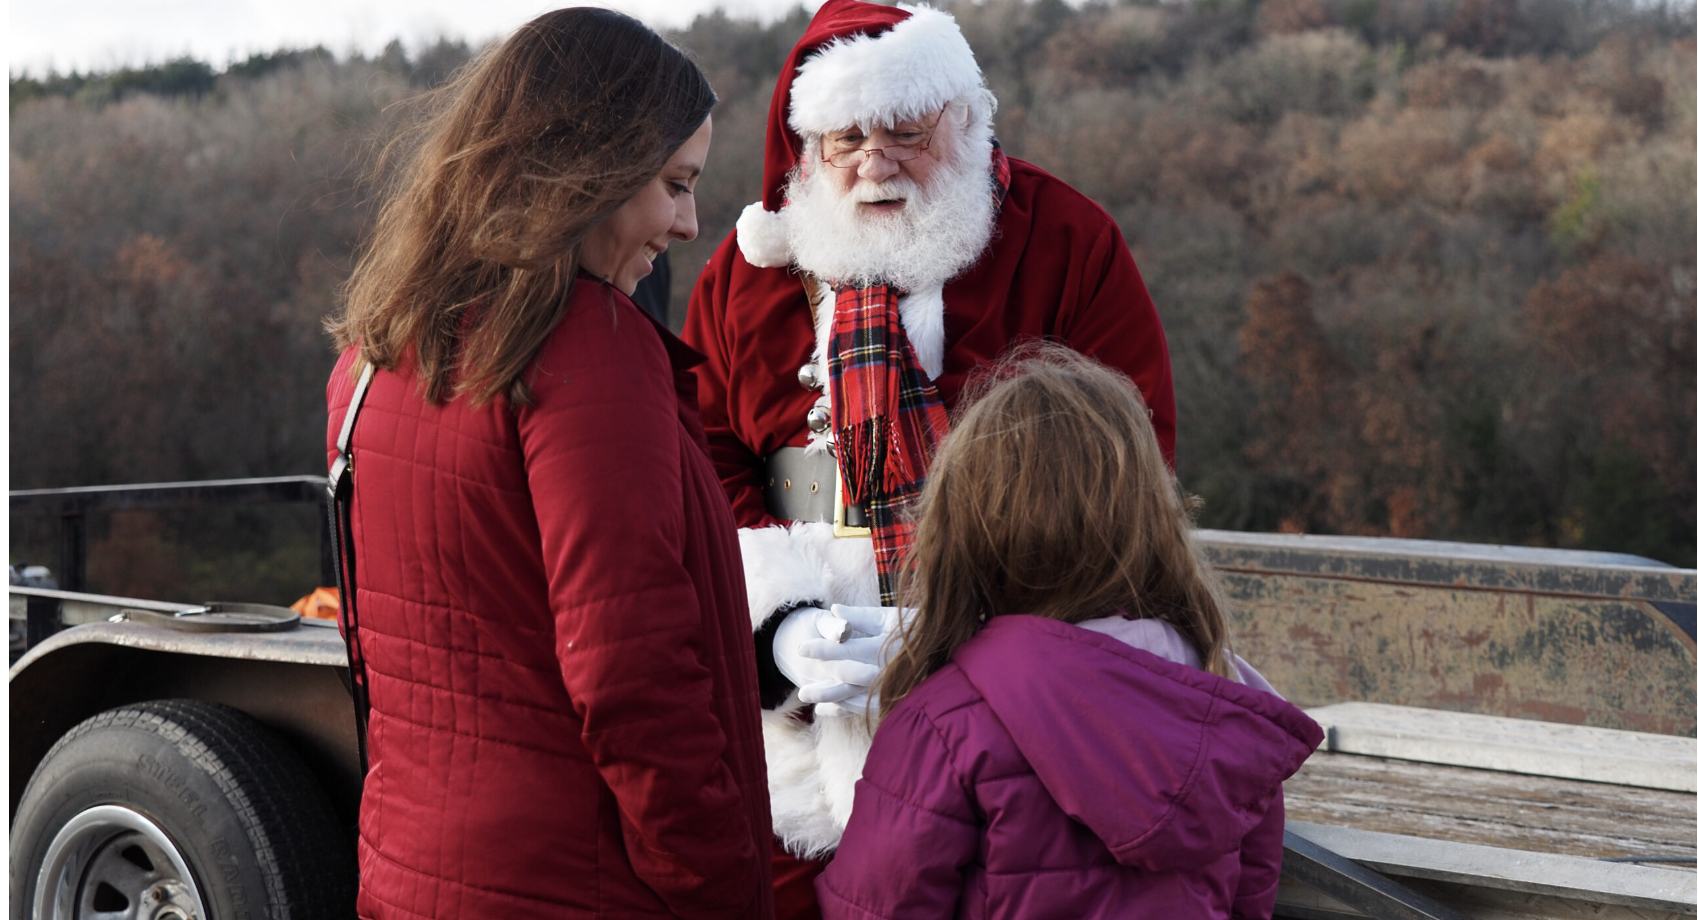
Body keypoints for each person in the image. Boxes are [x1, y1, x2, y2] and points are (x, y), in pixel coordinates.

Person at [681, 0, 1177, 910]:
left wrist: (984, 630)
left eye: (906, 131)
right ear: (806, 147)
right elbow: (697, 466)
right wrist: (777, 624)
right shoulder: (744, 283)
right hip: (796, 734)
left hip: (1022, 722)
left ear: (965, 119)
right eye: (844, 139)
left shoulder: (1066, 243)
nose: (876, 164)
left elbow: (1130, 469)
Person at [324, 10, 773, 919]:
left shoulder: (376, 355)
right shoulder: (591, 350)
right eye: (675, 184)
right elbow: (632, 675)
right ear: (590, 172)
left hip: (411, 872)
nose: (689, 224)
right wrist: (721, 882)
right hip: (580, 884)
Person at [815, 348, 1324, 920]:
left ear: (967, 527)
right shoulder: (1227, 708)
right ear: (1152, 519)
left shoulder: (944, 727)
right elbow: (1248, 904)